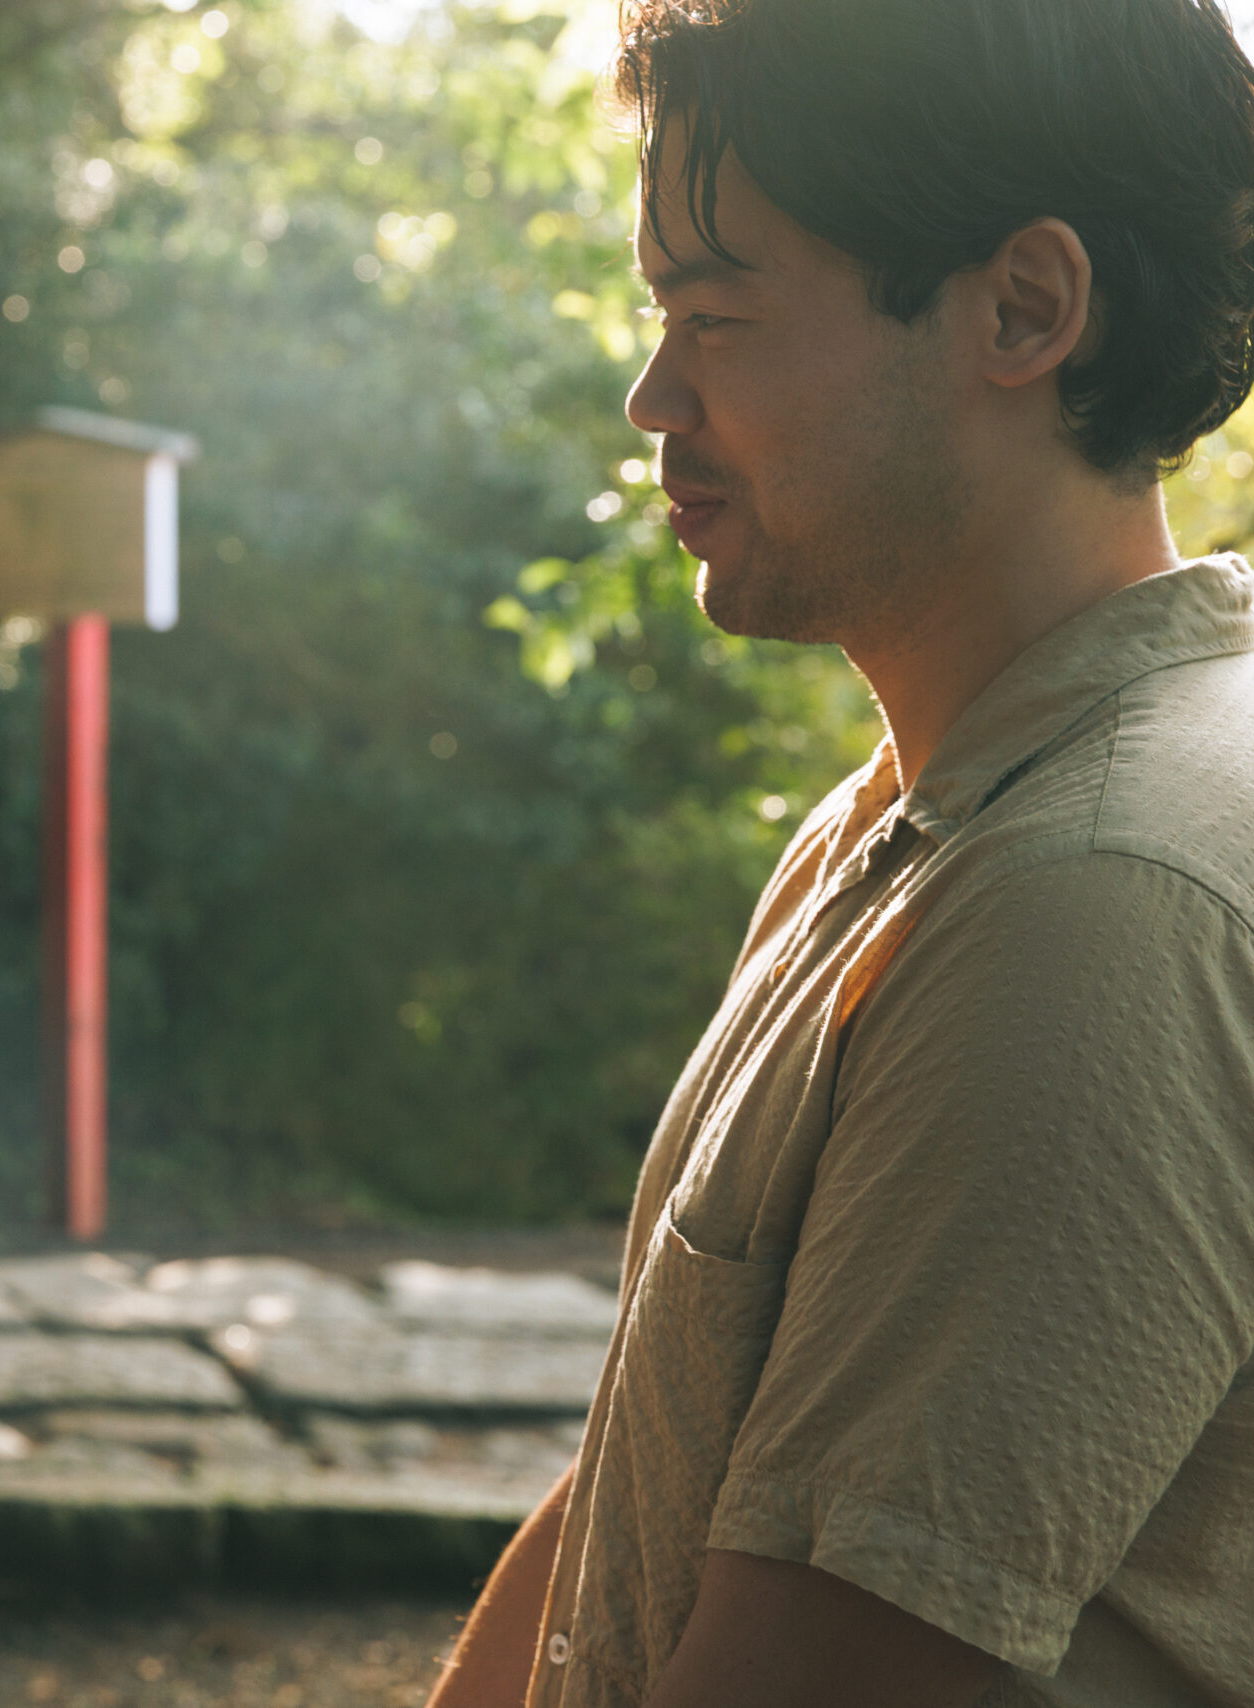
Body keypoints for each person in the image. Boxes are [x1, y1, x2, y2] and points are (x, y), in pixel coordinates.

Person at [427, 1, 1254, 1704]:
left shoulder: (1090, 904)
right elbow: (676, 1469)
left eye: (715, 312)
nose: (653, 393)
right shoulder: (922, 805)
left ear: (1025, 307)